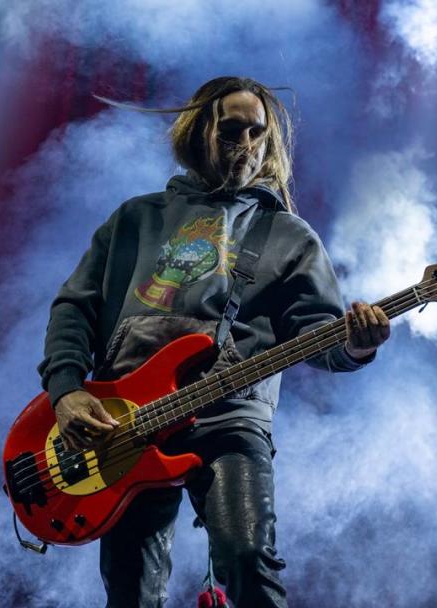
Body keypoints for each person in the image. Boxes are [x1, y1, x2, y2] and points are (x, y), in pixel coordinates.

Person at [36, 76, 391, 607]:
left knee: (249, 560)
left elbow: (321, 336)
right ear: (198, 129)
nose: (245, 145)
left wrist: (358, 344)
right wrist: (66, 390)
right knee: (130, 590)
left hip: (230, 416)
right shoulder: (136, 218)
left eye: (257, 133)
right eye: (231, 130)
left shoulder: (288, 236)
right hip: (124, 421)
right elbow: (75, 306)